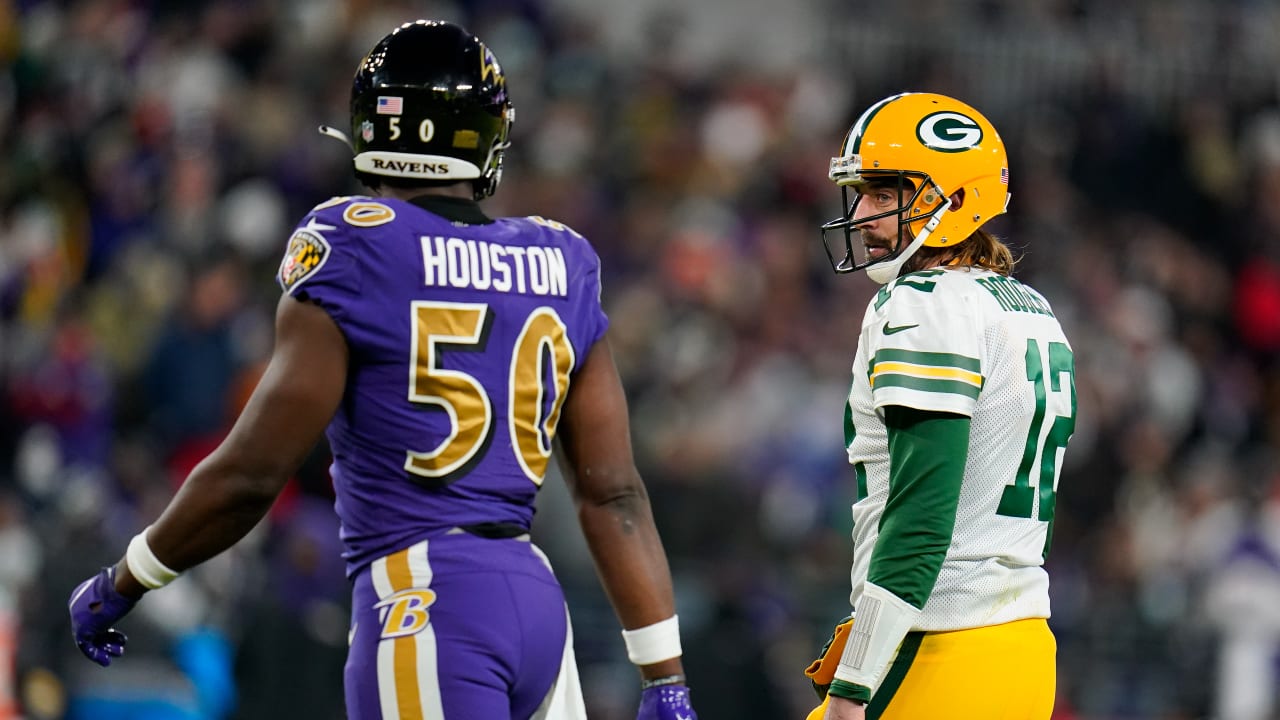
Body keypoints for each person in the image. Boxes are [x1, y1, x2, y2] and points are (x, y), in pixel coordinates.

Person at [68, 19, 697, 720]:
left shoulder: (354, 245)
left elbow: (250, 475)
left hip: (425, 597)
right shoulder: (561, 260)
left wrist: (126, 579)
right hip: (536, 602)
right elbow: (613, 494)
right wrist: (664, 679)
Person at [802, 92, 1075, 719]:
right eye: (862, 192)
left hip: (938, 647)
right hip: (1023, 650)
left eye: (885, 192)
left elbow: (924, 516)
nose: (864, 213)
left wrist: (852, 687)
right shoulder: (1030, 308)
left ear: (953, 198)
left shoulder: (924, 303)